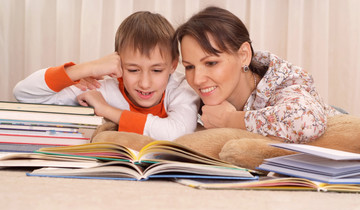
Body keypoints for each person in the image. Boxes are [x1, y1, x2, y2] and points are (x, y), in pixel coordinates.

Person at [13, 11, 199, 141]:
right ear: (118, 64)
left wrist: (106, 110)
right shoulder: (106, 88)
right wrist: (86, 69)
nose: (144, 83)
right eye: (133, 70)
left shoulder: (183, 88)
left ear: (173, 65)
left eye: (156, 70)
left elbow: (177, 134)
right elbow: (25, 94)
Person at [172, 6, 341, 143]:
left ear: (244, 55)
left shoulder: (282, 83)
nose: (197, 79)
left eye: (211, 63)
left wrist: (229, 119)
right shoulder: (185, 92)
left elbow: (306, 122)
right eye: (189, 67)